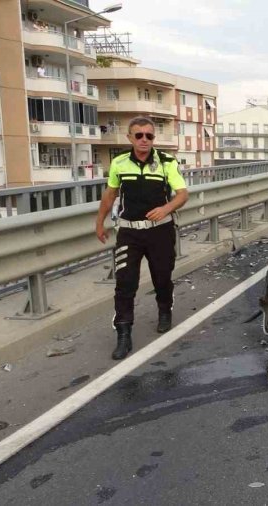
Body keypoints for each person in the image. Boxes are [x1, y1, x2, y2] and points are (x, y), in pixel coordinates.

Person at [95, 116, 188, 360]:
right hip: (129, 233)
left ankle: (165, 309)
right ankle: (123, 333)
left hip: (160, 232)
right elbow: (110, 194)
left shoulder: (167, 162)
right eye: (139, 135)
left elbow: (182, 194)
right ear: (130, 138)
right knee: (125, 284)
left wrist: (166, 209)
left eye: (149, 135)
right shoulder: (119, 163)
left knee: (162, 277)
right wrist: (99, 222)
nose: (144, 139)